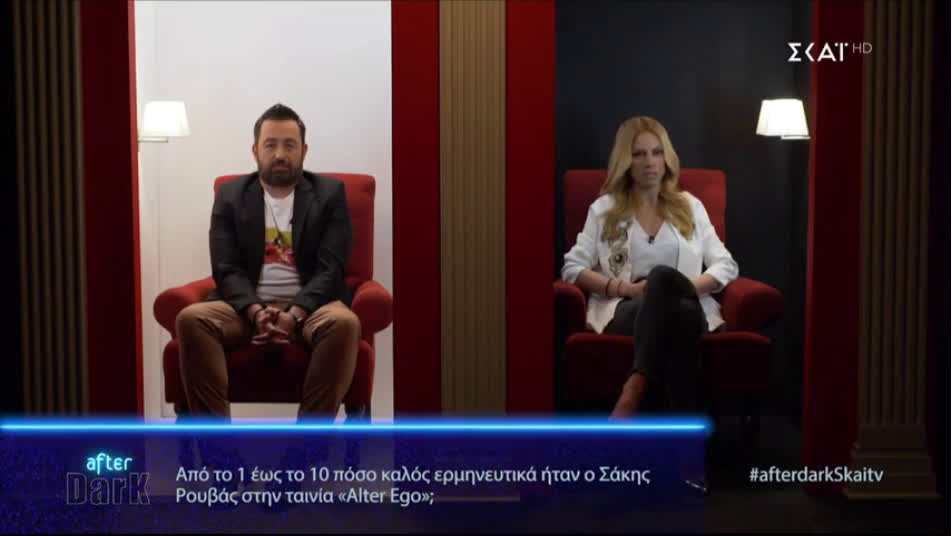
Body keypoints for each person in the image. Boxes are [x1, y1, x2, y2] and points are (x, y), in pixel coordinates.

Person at [175, 103, 360, 420]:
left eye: (289, 145)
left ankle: (307, 444)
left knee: (345, 323)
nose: (280, 154)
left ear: (304, 150)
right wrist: (257, 311)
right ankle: (217, 445)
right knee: (191, 318)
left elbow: (331, 269)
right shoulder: (231, 195)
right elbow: (226, 267)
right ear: (255, 150)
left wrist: (294, 314)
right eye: (270, 144)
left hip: (313, 308)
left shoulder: (330, 194)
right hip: (244, 308)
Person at [561, 116, 738, 418]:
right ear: (625, 161)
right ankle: (686, 433)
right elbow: (572, 267)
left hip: (688, 301)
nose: (649, 162)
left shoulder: (690, 206)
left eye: (657, 152)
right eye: (639, 154)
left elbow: (726, 265)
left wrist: (684, 288)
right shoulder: (604, 209)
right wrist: (625, 289)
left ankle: (636, 386)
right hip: (628, 306)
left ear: (666, 158)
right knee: (679, 311)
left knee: (670, 292)